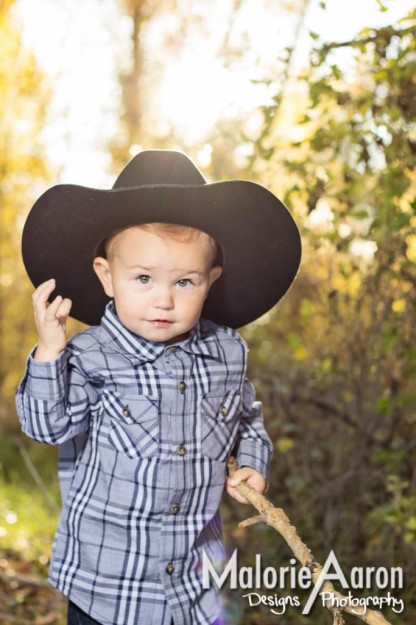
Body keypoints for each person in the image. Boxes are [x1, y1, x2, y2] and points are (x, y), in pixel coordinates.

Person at [15, 150, 301, 625]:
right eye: (143, 278)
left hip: (195, 585)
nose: (163, 300)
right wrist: (49, 351)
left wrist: (253, 461)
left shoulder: (226, 352)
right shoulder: (90, 356)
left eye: (185, 282)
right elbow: (46, 426)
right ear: (107, 277)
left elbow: (245, 417)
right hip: (107, 585)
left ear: (211, 281)